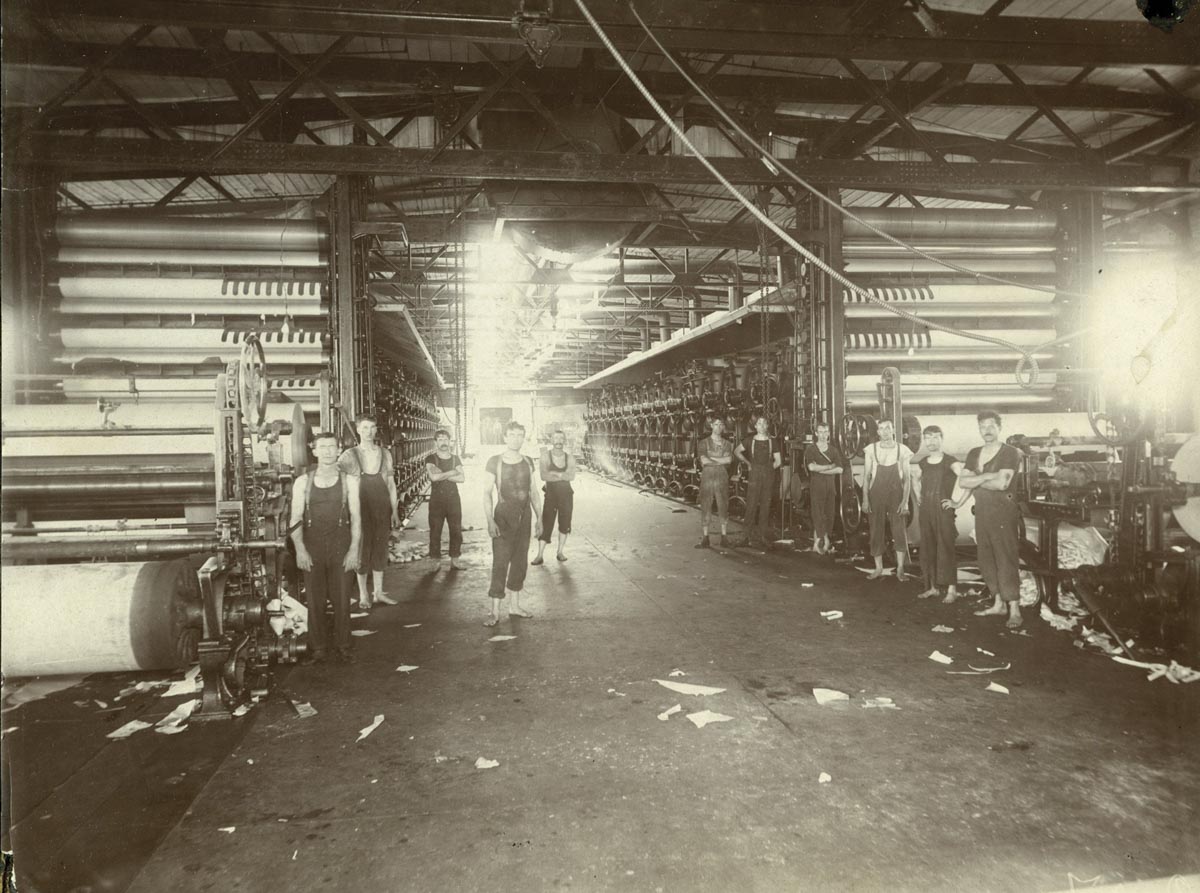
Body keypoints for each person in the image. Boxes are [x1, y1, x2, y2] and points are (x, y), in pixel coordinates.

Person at [289, 432, 362, 663]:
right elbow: (295, 519)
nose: (329, 451)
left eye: (333, 446)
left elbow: (357, 518)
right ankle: (318, 647)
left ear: (339, 450)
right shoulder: (303, 481)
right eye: (323, 447)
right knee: (315, 597)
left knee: (342, 597)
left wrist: (353, 550)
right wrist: (300, 549)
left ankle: (344, 645)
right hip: (313, 546)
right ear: (315, 450)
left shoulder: (349, 480)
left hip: (341, 544)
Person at [958, 410, 1025, 629]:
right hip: (983, 511)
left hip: (1003, 511)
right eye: (982, 426)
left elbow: (1002, 484)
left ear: (999, 428)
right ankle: (999, 604)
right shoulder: (974, 452)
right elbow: (962, 482)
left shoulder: (1011, 452)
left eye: (991, 426)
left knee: (1005, 557)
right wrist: (987, 477)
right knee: (986, 558)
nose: (986, 430)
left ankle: (1015, 609)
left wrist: (976, 479)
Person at [482, 420, 543, 627]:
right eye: (513, 435)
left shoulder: (528, 461)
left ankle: (514, 606)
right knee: (500, 563)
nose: (517, 439)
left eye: (520, 435)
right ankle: (494, 611)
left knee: (520, 561)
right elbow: (486, 493)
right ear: (505, 437)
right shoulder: (495, 461)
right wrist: (490, 520)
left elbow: (533, 492)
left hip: (524, 516)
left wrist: (540, 518)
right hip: (503, 516)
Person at [339, 414, 400, 610]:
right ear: (358, 430)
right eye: (364, 428)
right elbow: (338, 483)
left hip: (382, 508)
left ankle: (379, 593)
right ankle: (364, 595)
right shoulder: (349, 456)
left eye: (372, 428)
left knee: (381, 548)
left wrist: (395, 511)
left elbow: (391, 485)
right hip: (359, 509)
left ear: (376, 430)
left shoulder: (385, 454)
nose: (369, 432)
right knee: (362, 550)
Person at [910, 425, 965, 603]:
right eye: (927, 438)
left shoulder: (951, 461)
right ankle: (931, 588)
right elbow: (914, 479)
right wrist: (918, 496)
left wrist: (958, 502)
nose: (931, 441)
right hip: (926, 511)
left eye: (935, 437)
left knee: (946, 549)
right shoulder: (923, 462)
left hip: (943, 512)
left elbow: (967, 479)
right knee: (927, 549)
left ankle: (952, 590)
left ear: (942, 438)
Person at [862, 418, 915, 581]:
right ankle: (878, 568)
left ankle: (900, 568)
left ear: (893, 430)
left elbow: (907, 478)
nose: (885, 431)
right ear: (878, 432)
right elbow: (866, 476)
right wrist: (865, 499)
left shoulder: (903, 450)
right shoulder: (871, 449)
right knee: (876, 530)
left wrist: (905, 501)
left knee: (899, 530)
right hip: (876, 494)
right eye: (881, 428)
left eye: (888, 428)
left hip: (895, 494)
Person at [734, 415, 782, 550]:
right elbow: (737, 451)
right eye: (759, 424)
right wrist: (748, 463)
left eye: (764, 424)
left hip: (768, 475)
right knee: (751, 505)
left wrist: (768, 470)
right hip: (754, 474)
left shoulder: (773, 441)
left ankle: (762, 537)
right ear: (755, 427)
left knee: (765, 505)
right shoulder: (749, 440)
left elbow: (778, 461)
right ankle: (745, 537)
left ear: (767, 426)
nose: (761, 426)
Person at [533, 429, 576, 565]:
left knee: (565, 522)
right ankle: (539, 555)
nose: (558, 441)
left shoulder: (570, 458)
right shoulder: (545, 456)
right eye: (555, 438)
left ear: (564, 440)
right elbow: (543, 476)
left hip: (566, 495)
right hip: (551, 495)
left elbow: (571, 476)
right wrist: (562, 476)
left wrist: (554, 474)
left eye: (561, 438)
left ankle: (560, 552)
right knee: (547, 522)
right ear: (551, 440)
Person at [426, 429, 465, 570]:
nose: (443, 442)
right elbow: (433, 477)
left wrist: (442, 474)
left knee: (456, 530)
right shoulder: (431, 459)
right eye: (440, 439)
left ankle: (455, 559)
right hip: (437, 500)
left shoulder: (456, 458)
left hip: (454, 499)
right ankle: (435, 561)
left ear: (450, 441)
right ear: (436, 442)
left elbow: (462, 478)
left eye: (445, 439)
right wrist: (453, 472)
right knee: (435, 530)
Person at [804, 422, 843, 555]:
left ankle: (822, 541)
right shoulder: (811, 449)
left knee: (829, 513)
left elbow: (840, 469)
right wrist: (829, 467)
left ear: (828, 434)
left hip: (830, 485)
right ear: (816, 433)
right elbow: (811, 467)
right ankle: (822, 540)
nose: (823, 435)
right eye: (820, 432)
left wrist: (821, 469)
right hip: (817, 484)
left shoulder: (833, 450)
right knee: (817, 512)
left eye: (825, 432)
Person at [695, 415, 733, 549]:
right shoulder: (703, 443)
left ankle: (724, 537)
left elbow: (728, 460)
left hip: (722, 476)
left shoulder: (727, 444)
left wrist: (712, 458)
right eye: (716, 424)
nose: (718, 427)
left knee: (723, 504)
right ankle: (705, 538)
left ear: (723, 427)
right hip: (707, 476)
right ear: (711, 426)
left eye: (721, 425)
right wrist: (719, 459)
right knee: (706, 504)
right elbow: (703, 461)